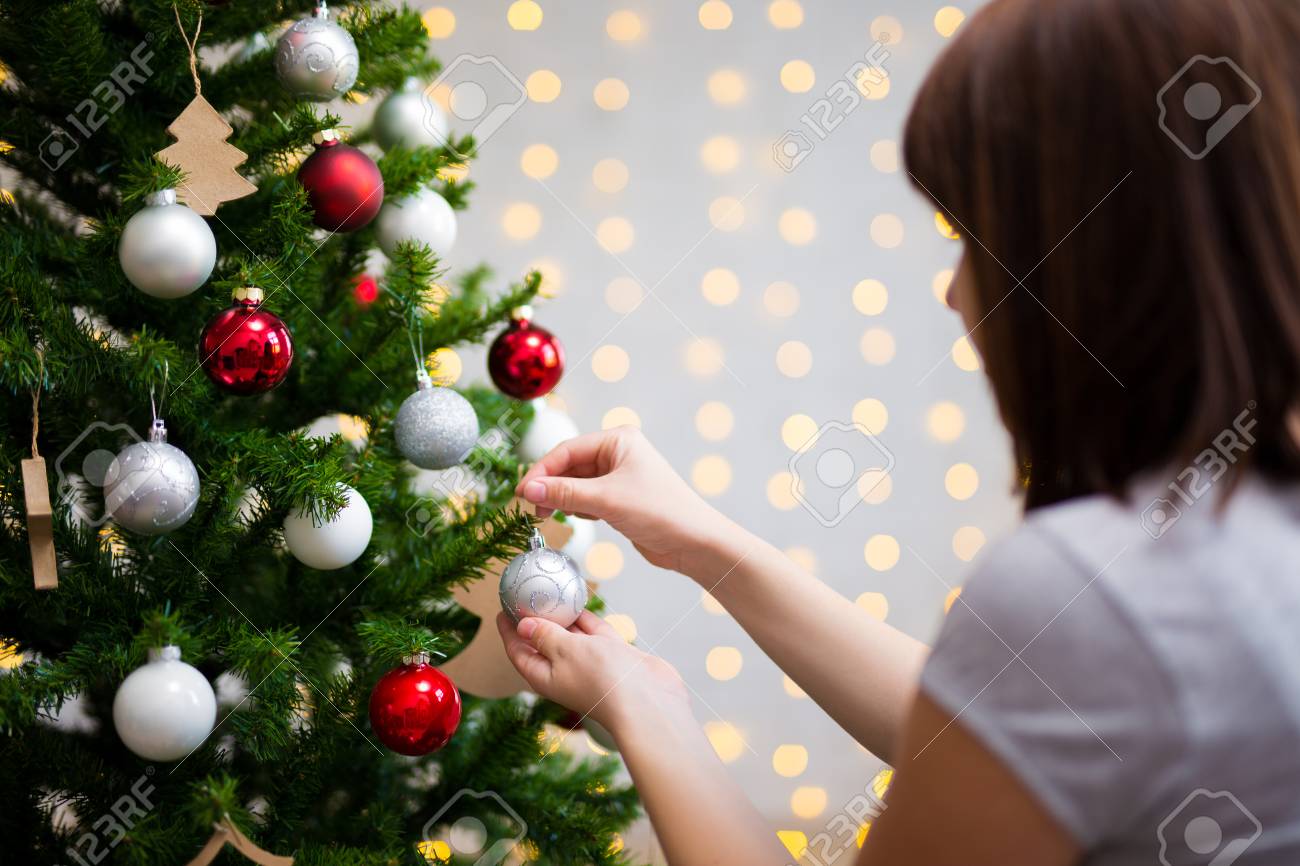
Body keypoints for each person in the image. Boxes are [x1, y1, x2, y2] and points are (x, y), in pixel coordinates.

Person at [496, 0, 1300, 863]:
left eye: (979, 242)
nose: (956, 294)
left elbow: (1049, 689)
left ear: (1095, 256)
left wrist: (644, 708)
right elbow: (1014, 724)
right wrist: (705, 545)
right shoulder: (1241, 535)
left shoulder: (1099, 588)